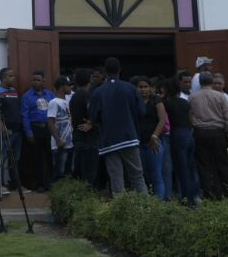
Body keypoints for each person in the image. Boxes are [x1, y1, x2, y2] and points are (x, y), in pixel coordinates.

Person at [89, 56, 147, 194]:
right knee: (137, 176)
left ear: (104, 72)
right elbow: (142, 111)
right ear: (120, 70)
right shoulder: (131, 88)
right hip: (129, 137)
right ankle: (146, 210)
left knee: (116, 179)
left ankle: (120, 213)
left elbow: (93, 117)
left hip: (109, 141)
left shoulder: (98, 92)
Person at [189, 72, 228, 199]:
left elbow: (190, 116)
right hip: (218, 133)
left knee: (204, 165)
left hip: (200, 133)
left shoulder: (192, 97)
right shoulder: (220, 96)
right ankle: (227, 193)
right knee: (223, 164)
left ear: (200, 82)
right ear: (211, 82)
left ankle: (209, 193)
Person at [165, 70, 200, 205]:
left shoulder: (168, 103)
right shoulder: (185, 102)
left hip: (177, 134)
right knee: (190, 167)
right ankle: (195, 195)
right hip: (188, 134)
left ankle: (187, 198)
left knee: (182, 168)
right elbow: (191, 121)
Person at [0, 68, 22, 193]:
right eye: (10, 76)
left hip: (17, 131)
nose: (13, 77)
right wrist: (2, 127)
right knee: (2, 158)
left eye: (13, 75)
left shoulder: (14, 91)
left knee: (15, 159)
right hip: (5, 131)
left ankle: (14, 184)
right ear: (3, 78)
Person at [134, 77, 168, 199]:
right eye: (140, 87)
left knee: (156, 175)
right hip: (140, 143)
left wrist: (154, 136)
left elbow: (162, 120)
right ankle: (148, 202)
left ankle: (158, 205)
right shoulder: (134, 101)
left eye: (145, 86)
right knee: (144, 174)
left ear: (150, 88)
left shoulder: (156, 100)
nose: (143, 89)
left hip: (154, 142)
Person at [20, 70, 53, 192]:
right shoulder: (27, 96)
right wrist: (29, 132)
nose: (35, 82)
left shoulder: (50, 95)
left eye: (38, 80)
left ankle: (50, 183)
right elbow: (25, 116)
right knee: (36, 158)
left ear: (43, 80)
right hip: (35, 129)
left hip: (49, 130)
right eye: (33, 80)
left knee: (50, 157)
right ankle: (39, 184)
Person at [69, 68, 98, 186]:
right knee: (89, 174)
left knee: (79, 172)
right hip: (89, 140)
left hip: (78, 137)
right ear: (89, 80)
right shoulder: (87, 96)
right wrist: (93, 122)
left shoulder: (73, 97)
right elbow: (92, 112)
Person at [46, 76, 73, 182]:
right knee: (59, 173)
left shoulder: (66, 101)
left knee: (68, 172)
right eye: (68, 85)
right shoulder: (54, 102)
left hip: (69, 142)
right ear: (62, 87)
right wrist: (58, 140)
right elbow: (50, 122)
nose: (70, 87)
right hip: (60, 144)